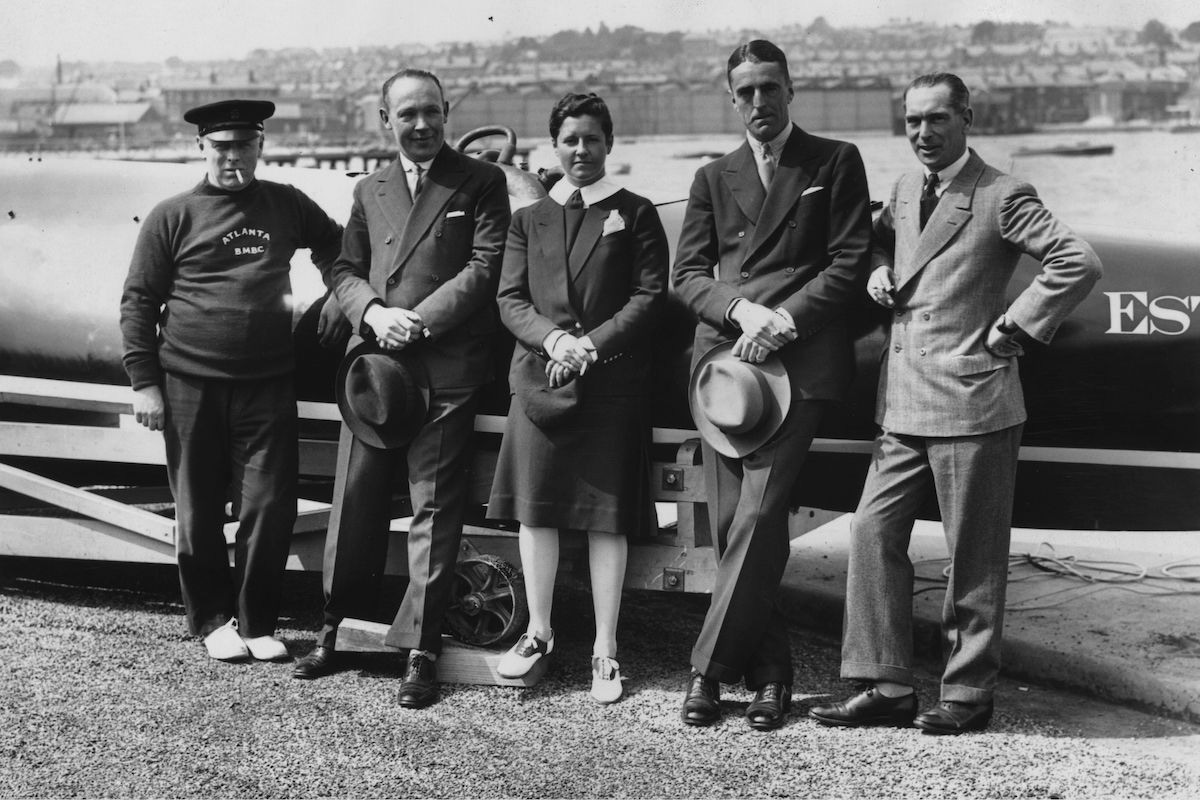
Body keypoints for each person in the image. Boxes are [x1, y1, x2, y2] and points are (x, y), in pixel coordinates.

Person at [809, 72, 1102, 734]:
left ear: (967, 118)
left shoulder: (1001, 194)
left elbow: (1075, 261)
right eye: (912, 121)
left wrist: (1017, 327)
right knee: (871, 532)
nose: (923, 133)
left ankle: (968, 693)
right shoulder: (908, 186)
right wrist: (878, 266)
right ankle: (886, 684)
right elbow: (881, 236)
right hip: (904, 403)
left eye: (937, 119)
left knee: (971, 554)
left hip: (973, 402)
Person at [291, 68, 510, 711]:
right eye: (407, 114)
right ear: (385, 120)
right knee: (354, 500)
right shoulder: (370, 188)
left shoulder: (482, 181)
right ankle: (335, 629)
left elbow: (486, 266)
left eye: (432, 113)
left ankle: (422, 648)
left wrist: (420, 320)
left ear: (447, 113)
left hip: (443, 370)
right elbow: (343, 265)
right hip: (376, 372)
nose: (421, 126)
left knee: (433, 508)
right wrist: (371, 314)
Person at [672, 40, 872, 730]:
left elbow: (848, 265)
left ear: (791, 90)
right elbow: (687, 276)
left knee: (757, 517)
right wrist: (738, 309)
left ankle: (706, 671)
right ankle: (773, 677)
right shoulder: (712, 176)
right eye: (747, 92)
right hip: (727, 370)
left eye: (771, 88)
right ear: (733, 99)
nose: (761, 103)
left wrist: (782, 320)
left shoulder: (834, 161)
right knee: (734, 529)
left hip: (799, 364)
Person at [120, 99, 347, 662]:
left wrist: (343, 300)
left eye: (243, 146)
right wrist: (144, 383)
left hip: (268, 383)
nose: (232, 158)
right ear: (202, 147)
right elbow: (138, 302)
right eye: (221, 147)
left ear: (260, 146)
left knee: (270, 506)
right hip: (189, 384)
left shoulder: (286, 203)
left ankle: (256, 622)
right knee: (197, 509)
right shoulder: (171, 215)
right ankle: (213, 619)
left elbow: (338, 249)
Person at [486, 93, 669, 704]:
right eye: (570, 140)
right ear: (554, 147)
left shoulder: (635, 213)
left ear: (609, 144)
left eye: (592, 139)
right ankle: (538, 633)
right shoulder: (527, 220)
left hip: (609, 384)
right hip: (539, 381)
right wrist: (555, 341)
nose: (582, 150)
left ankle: (605, 650)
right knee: (535, 512)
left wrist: (588, 345)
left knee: (604, 520)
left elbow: (647, 299)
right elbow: (511, 300)